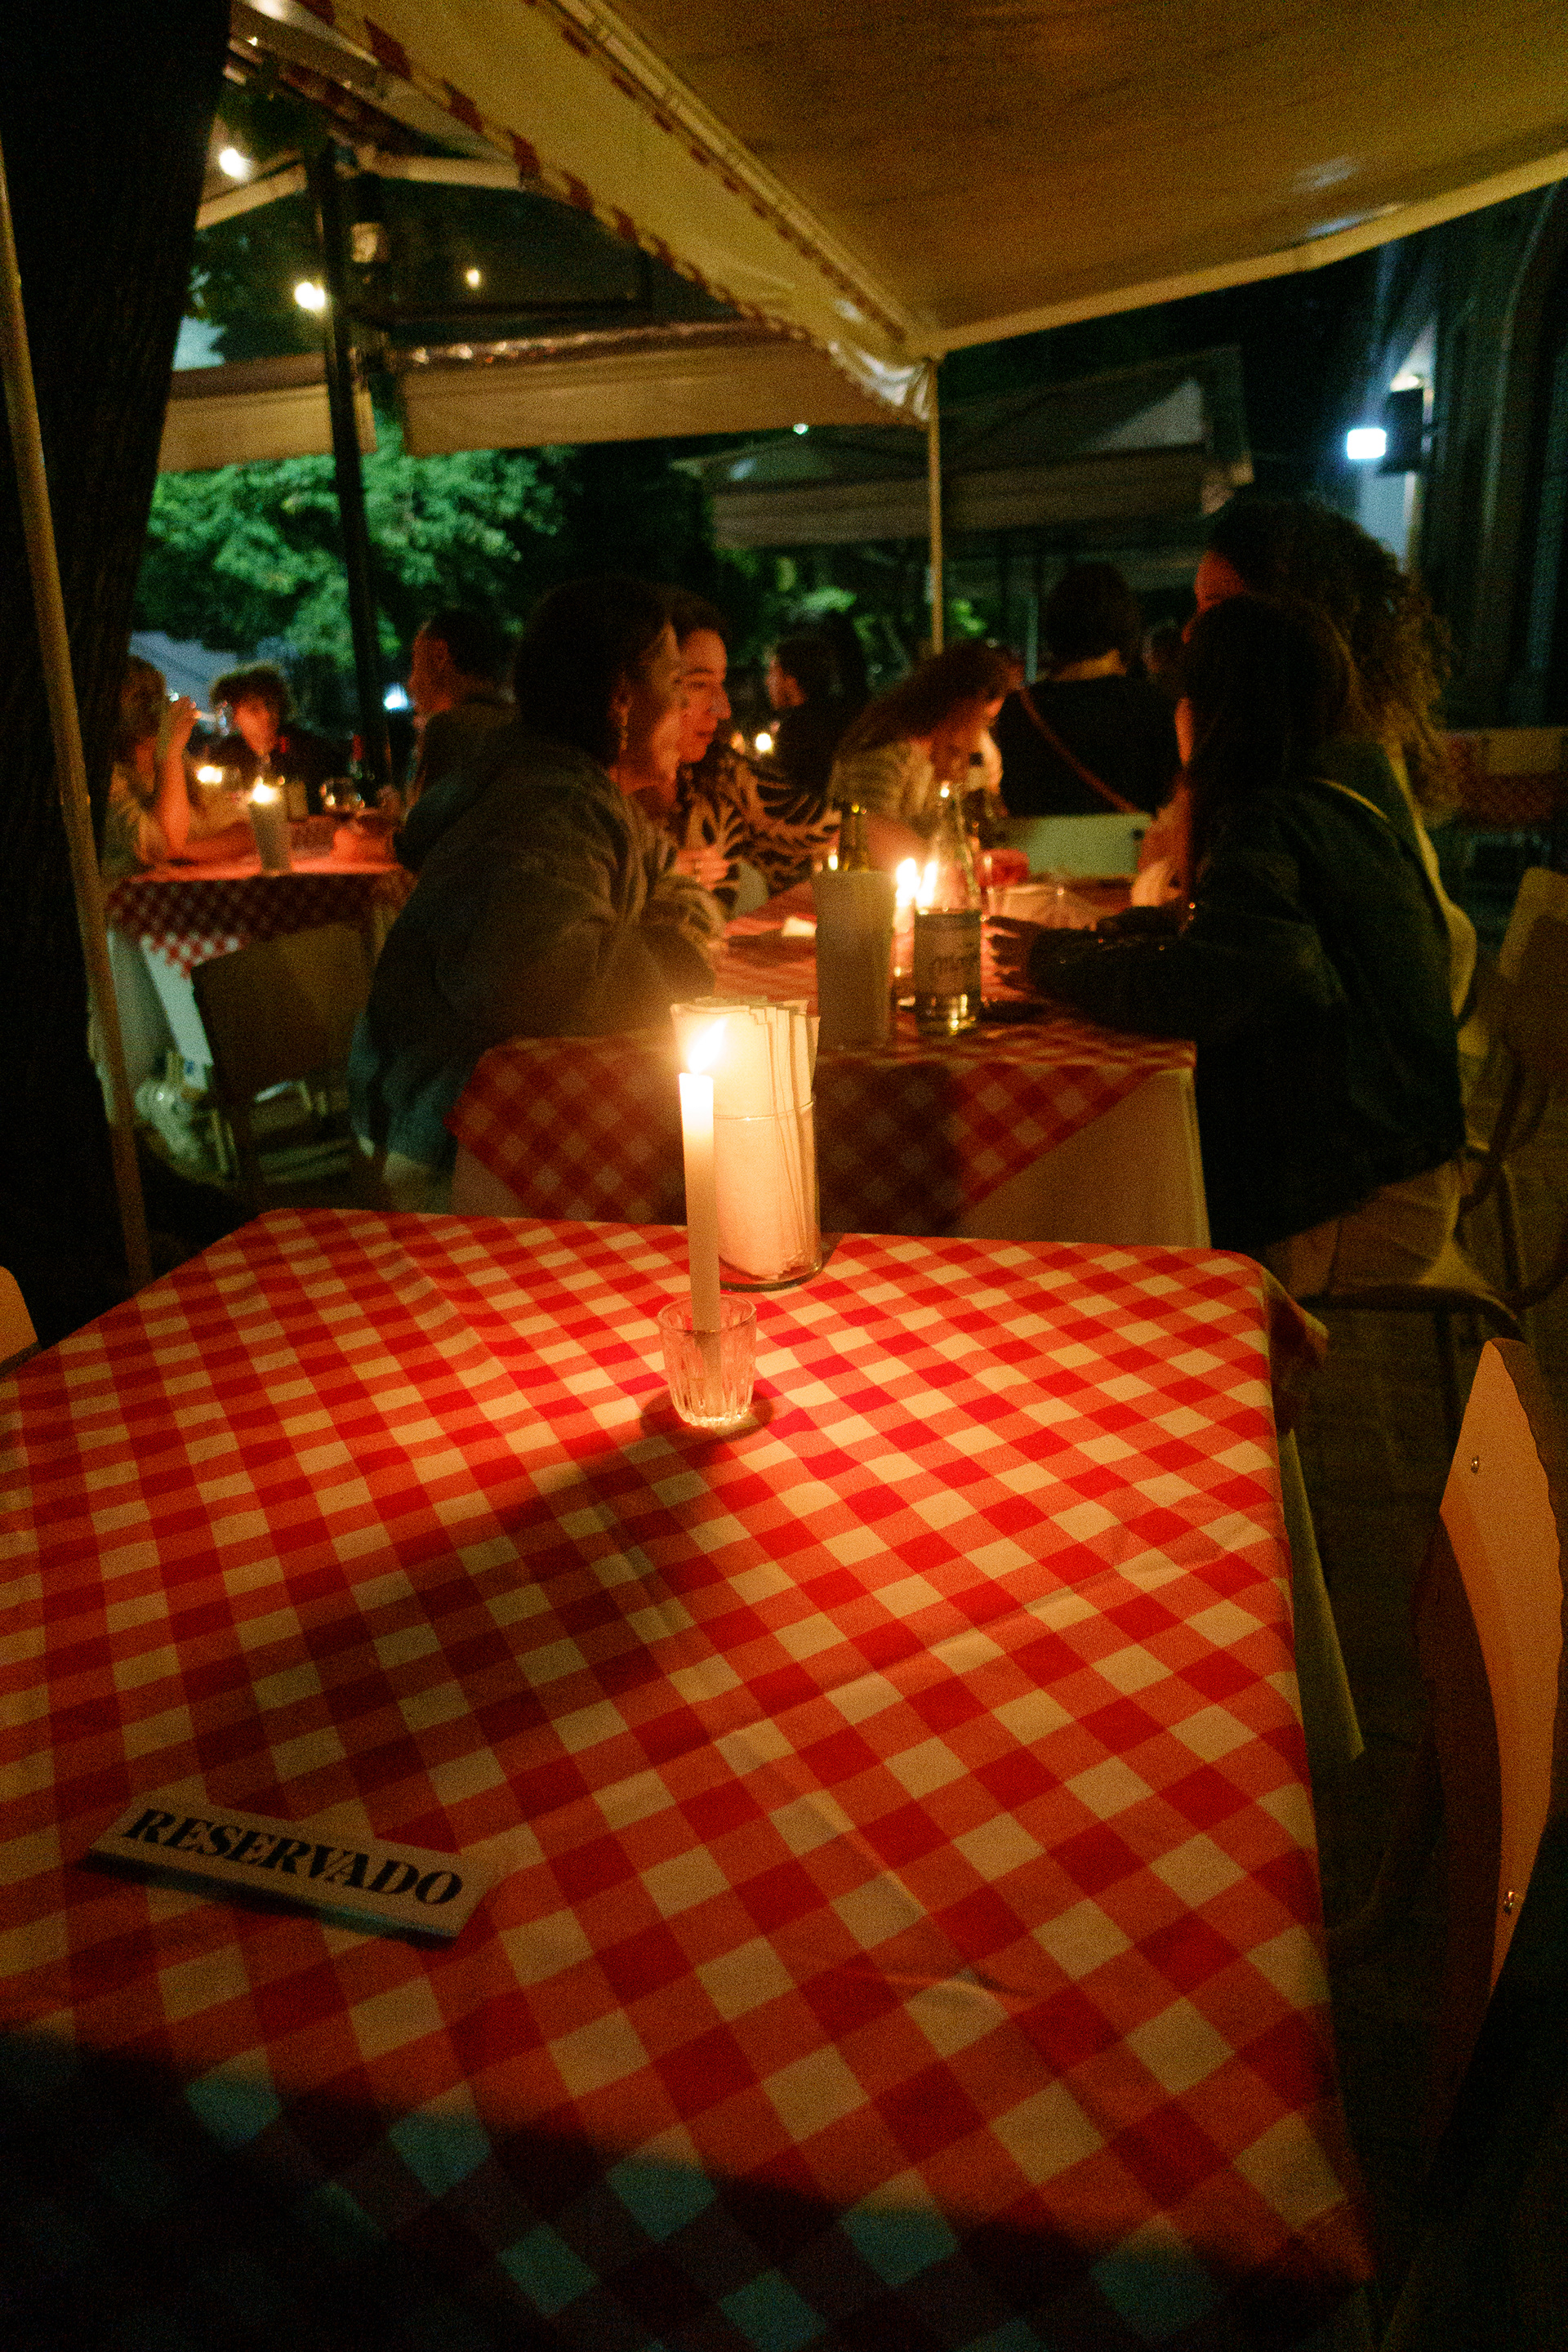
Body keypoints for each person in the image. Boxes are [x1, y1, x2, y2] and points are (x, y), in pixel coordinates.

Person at [991, 597, 1464, 1293]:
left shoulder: (1272, 819)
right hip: (1399, 1161)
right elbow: (1228, 938)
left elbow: (1203, 986)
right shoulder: (1336, 788)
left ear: (1216, 710)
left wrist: (1054, 962)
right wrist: (1097, 939)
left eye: (1185, 694)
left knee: (1100, 1231)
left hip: (1363, 1198)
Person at [349, 577, 724, 1210]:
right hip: (451, 1146)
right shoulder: (550, 806)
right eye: (678, 684)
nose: (693, 710)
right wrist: (680, 948)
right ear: (621, 698)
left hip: (501, 1122)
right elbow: (541, 982)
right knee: (706, 1183)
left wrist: (665, 929)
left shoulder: (582, 790)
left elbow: (672, 885)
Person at [1194, 497, 1476, 1020]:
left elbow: (1233, 966)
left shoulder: (1323, 753)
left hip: (1391, 1025)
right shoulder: (1349, 727)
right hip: (1400, 1013)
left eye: (1216, 606)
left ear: (1289, 614)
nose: (1194, 632)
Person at [639, 591, 839, 915]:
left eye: (721, 682)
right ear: (629, 691)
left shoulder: (718, 774)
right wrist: (655, 878)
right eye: (698, 684)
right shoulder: (584, 809)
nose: (723, 709)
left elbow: (832, 828)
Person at [991, 563, 1180, 818]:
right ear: (1126, 626)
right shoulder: (1154, 705)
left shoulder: (1020, 709)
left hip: (1043, 846)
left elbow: (1015, 801)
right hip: (1133, 845)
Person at [828, 640, 1013, 869]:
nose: (982, 730)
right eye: (984, 718)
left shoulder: (945, 749)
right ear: (963, 705)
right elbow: (869, 835)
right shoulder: (886, 746)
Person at [101, 654, 252, 880]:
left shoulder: (183, 765)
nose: (155, 704)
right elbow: (161, 840)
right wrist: (169, 754)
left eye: (157, 693)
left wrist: (179, 851)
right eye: (139, 696)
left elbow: (244, 833)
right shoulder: (108, 778)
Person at [405, 608, 514, 804]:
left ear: (440, 656)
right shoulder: (514, 719)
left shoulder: (451, 728)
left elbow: (428, 821)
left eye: (415, 663)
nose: (410, 683)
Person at [207, 663, 343, 814]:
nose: (266, 715)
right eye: (254, 709)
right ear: (234, 715)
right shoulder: (225, 756)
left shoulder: (311, 749)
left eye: (270, 705)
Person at [764, 634, 849, 804]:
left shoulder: (796, 731)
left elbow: (788, 797)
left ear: (791, 679)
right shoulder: (841, 717)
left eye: (773, 672)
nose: (767, 681)